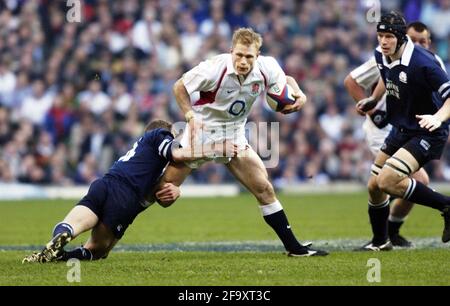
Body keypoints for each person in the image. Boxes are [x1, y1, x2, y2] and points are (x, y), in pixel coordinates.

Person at [157, 27, 328, 257]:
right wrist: (189, 116)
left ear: (257, 56)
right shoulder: (214, 67)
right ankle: (112, 218)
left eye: (249, 57)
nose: (243, 61)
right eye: (238, 55)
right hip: (202, 133)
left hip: (234, 134)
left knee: (264, 189)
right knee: (162, 194)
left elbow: (285, 80)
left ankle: (294, 248)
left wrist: (300, 94)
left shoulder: (267, 67)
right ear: (231, 52)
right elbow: (179, 86)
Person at [22, 119, 238, 263]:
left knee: (72, 225)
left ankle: (59, 240)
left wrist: (176, 190)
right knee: (100, 250)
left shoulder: (139, 152)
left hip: (104, 183)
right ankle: (64, 257)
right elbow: (177, 157)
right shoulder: (160, 135)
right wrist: (216, 149)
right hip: (126, 197)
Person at [343, 21, 445, 248]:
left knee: (387, 181)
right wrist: (373, 104)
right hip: (395, 129)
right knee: (379, 185)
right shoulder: (382, 54)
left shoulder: (426, 63)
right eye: (381, 35)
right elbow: (380, 77)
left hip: (421, 129)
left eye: (388, 36)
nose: (384, 41)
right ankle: (382, 239)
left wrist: (438, 118)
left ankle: (393, 231)